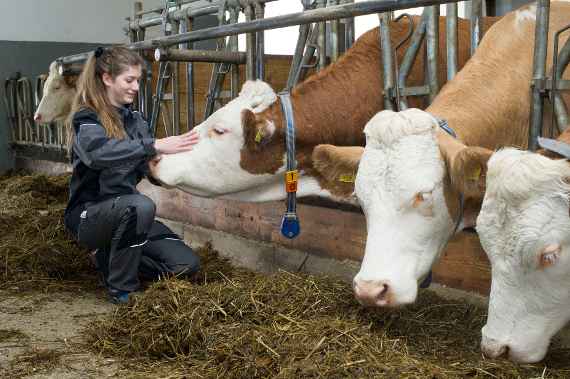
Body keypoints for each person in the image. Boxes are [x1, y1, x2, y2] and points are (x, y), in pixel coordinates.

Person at [63, 46, 200, 304]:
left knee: (185, 265)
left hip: (129, 216)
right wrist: (153, 145)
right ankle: (122, 290)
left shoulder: (136, 120)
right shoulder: (86, 118)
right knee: (141, 205)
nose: (136, 86)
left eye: (138, 80)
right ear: (107, 78)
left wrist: (166, 163)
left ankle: (108, 258)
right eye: (129, 80)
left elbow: (144, 167)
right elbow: (97, 153)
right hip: (89, 215)